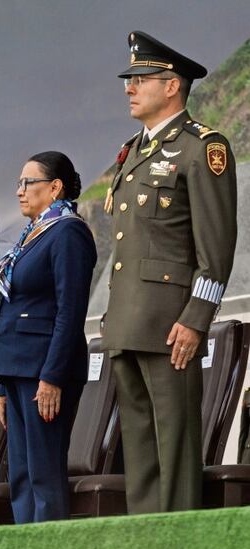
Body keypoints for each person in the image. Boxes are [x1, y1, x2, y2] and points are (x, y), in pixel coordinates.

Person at [102, 31, 238, 514]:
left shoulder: (202, 148)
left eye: (140, 78)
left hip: (170, 324)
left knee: (175, 453)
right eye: (130, 79)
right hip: (127, 322)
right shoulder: (133, 151)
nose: (129, 88)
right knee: (140, 455)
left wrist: (197, 316)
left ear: (172, 86)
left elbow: (216, 245)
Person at [0, 152, 96, 523]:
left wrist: (52, 377)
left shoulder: (68, 232)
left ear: (55, 187)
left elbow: (70, 310)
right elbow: (8, 310)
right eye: (18, 183)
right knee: (21, 474)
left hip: (43, 369)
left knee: (44, 473)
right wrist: (0, 383)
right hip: (17, 368)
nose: (19, 191)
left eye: (28, 183)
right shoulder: (31, 236)